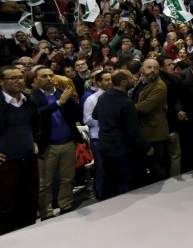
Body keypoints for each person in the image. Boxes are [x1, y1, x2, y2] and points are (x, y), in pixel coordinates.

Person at [31, 66, 84, 220]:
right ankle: (46, 212)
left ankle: (66, 205)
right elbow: (37, 114)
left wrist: (70, 98)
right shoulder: (32, 97)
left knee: (68, 178)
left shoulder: (61, 92)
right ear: (36, 80)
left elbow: (77, 109)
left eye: (51, 75)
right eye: (44, 76)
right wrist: (59, 103)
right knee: (45, 183)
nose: (49, 78)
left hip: (68, 142)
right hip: (47, 145)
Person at [93, 70, 154, 200]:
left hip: (104, 146)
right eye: (131, 78)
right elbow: (133, 132)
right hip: (121, 150)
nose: (134, 80)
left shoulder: (103, 97)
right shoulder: (126, 103)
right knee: (123, 183)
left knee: (108, 180)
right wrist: (146, 147)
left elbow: (95, 115)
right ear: (123, 82)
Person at [0, 66, 40, 235]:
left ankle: (29, 237)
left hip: (29, 161)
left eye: (21, 77)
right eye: (13, 78)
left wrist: (36, 141)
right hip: (6, 165)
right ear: (1, 82)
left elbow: (36, 125)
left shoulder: (28, 100)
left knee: (30, 203)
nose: (19, 81)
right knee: (6, 207)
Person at [82, 70, 113, 198]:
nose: (110, 82)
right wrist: (107, 121)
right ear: (98, 82)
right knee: (101, 170)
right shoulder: (92, 99)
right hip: (99, 138)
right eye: (106, 80)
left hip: (113, 137)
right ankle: (102, 196)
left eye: (111, 79)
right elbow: (87, 120)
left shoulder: (114, 95)